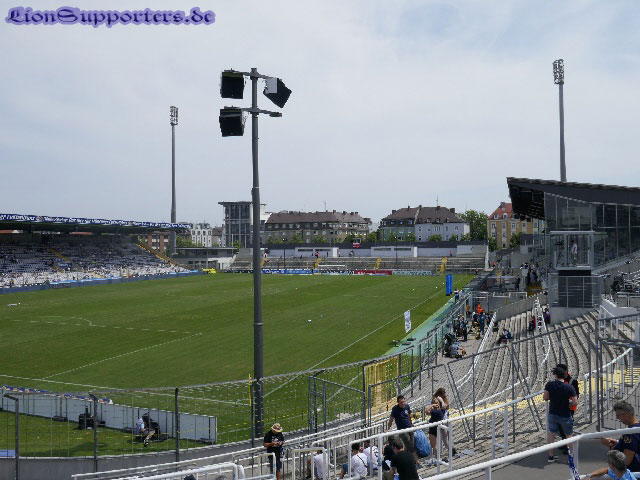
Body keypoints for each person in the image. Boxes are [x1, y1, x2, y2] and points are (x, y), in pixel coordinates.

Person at [590, 401, 640, 476]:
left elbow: (626, 460)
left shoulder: (630, 433)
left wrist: (611, 446)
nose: (617, 418)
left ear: (626, 414)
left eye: (618, 415)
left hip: (630, 474)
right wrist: (617, 443)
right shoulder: (637, 428)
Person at [543, 366, 577, 463]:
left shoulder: (549, 385)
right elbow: (575, 402)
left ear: (555, 375)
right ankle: (571, 458)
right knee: (569, 435)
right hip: (565, 414)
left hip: (553, 413)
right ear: (565, 375)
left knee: (551, 434)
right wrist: (569, 402)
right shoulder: (569, 387)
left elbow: (545, 398)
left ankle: (551, 456)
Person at [555, 363, 580, 454]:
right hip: (559, 407)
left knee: (566, 427)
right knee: (560, 426)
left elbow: (576, 395)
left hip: (569, 407)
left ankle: (568, 446)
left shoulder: (573, 381)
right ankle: (564, 441)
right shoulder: (557, 381)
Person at [386, 395, 418, 462]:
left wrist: (412, 424)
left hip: (409, 428)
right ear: (398, 402)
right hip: (402, 430)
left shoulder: (407, 406)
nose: (403, 403)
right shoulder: (395, 409)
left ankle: (404, 459)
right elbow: (391, 420)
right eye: (401, 402)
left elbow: (409, 416)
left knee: (410, 444)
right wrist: (388, 429)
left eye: (404, 402)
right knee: (410, 445)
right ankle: (416, 461)